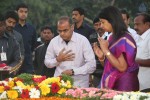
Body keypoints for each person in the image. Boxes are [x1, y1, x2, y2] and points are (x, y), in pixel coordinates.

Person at [93, 6, 139, 91]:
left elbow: (122, 67)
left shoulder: (123, 38)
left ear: (112, 21)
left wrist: (106, 50)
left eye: (103, 22)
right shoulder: (112, 37)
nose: (101, 26)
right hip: (114, 82)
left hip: (123, 85)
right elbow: (111, 64)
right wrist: (102, 57)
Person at [45, 16, 96, 88]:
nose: (62, 33)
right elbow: (47, 62)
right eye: (59, 31)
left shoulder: (83, 40)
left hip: (79, 84)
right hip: (60, 83)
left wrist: (73, 71)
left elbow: (92, 65)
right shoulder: (54, 41)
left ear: (72, 27)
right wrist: (58, 60)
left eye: (65, 30)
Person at [14, 3, 37, 74]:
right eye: (21, 11)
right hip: (14, 62)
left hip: (28, 63)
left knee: (28, 84)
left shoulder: (31, 28)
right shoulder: (12, 27)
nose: (23, 14)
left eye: (25, 12)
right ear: (16, 12)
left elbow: (33, 45)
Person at [89, 16, 111, 87]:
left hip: (109, 72)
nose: (99, 27)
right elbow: (89, 56)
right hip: (96, 73)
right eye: (96, 25)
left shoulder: (110, 37)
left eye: (100, 24)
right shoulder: (92, 37)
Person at [134, 13, 150, 90]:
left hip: (147, 85)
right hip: (138, 83)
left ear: (147, 24)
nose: (135, 27)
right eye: (134, 24)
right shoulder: (138, 37)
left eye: (138, 24)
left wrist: (134, 61)